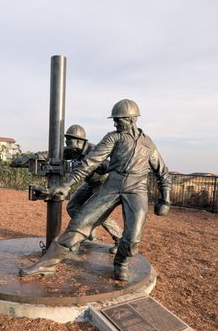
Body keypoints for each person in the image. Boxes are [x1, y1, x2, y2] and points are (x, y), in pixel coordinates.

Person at [20, 99, 171, 281]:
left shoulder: (148, 144)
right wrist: (67, 185)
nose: (115, 123)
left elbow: (163, 172)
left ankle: (121, 263)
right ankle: (46, 265)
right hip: (112, 184)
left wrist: (165, 199)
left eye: (118, 119)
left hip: (138, 188)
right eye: (114, 120)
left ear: (131, 119)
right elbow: (90, 162)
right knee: (79, 223)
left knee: (132, 237)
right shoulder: (113, 137)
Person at [10, 125, 123, 253]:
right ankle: (88, 232)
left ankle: (119, 239)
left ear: (79, 141)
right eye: (66, 140)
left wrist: (99, 166)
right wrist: (28, 158)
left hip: (102, 183)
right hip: (88, 183)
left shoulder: (93, 150)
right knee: (72, 206)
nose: (66, 142)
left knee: (99, 212)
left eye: (69, 140)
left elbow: (108, 165)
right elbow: (49, 154)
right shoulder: (71, 151)